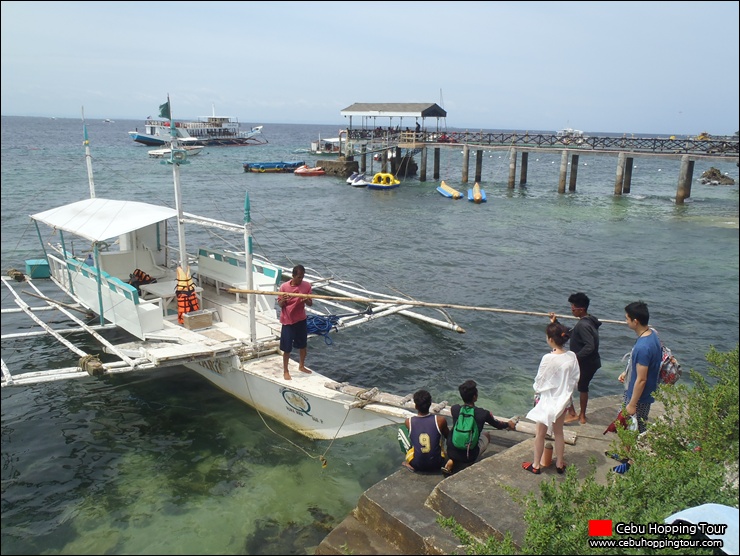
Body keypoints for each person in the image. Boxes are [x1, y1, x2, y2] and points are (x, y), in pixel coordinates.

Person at [522, 321, 580, 475]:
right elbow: (575, 379)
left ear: (551, 340)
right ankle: (560, 463)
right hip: (563, 401)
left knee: (540, 434)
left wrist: (537, 391)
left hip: (547, 401)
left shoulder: (548, 358)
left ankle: (536, 465)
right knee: (559, 432)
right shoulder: (572, 356)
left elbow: (540, 381)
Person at [442, 380, 516, 475]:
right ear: (475, 397)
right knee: (486, 435)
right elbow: (498, 425)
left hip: (451, 452)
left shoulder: (455, 409)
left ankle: (453, 460)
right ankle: (470, 462)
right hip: (469, 455)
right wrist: (508, 424)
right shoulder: (483, 413)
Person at [549, 292, 602, 424]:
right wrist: (556, 322)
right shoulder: (589, 321)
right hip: (592, 362)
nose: (571, 309)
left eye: (573, 307)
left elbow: (589, 346)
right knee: (583, 387)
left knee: (566, 384)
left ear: (581, 309)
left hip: (585, 362)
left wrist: (574, 358)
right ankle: (582, 416)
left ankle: (573, 413)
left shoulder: (583, 325)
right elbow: (571, 333)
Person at [619, 301, 662, 434]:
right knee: (634, 426)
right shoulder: (653, 334)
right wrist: (627, 372)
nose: (626, 321)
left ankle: (628, 454)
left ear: (635, 321)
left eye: (627, 318)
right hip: (646, 393)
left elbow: (642, 379)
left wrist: (632, 404)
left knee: (632, 428)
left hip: (638, 396)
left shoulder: (642, 347)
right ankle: (626, 453)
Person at [400, 390, 450, 472]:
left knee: (402, 431)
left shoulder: (409, 422)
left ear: (416, 406)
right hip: (438, 463)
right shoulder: (440, 420)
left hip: (417, 465)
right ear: (430, 404)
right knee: (440, 433)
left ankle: (408, 462)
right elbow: (448, 436)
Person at [277, 265, 313, 380]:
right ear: (293, 276)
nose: (300, 280)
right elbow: (280, 304)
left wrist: (306, 299)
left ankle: (301, 366)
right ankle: (286, 371)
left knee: (303, 345)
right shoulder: (284, 287)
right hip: (288, 320)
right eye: (298, 277)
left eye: (302, 277)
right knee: (287, 348)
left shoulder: (306, 286)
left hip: (300, 319)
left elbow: (310, 303)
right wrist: (284, 300)